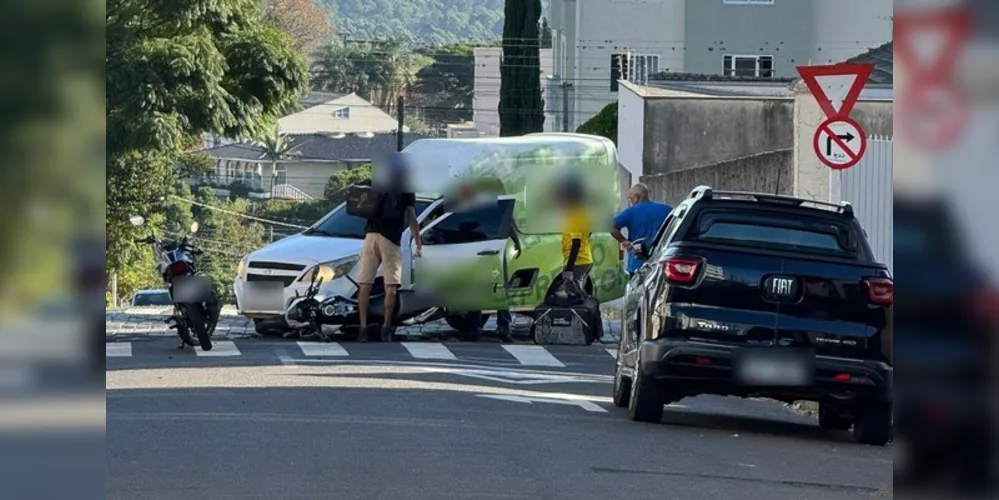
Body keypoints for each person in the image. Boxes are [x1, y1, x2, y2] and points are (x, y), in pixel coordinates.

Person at [357, 154, 422, 342]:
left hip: (370, 236)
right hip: (390, 239)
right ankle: (386, 327)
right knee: (391, 286)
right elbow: (411, 217)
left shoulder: (376, 184)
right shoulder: (406, 189)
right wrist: (417, 239)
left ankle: (363, 328)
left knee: (364, 285)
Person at [611, 183, 672, 276]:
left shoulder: (630, 212)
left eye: (629, 198)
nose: (630, 200)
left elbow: (611, 226)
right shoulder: (667, 209)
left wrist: (624, 241)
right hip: (662, 263)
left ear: (636, 197)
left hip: (638, 264)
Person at [557, 174, 593, 296]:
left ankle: (584, 314)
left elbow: (576, 244)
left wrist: (569, 268)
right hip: (583, 259)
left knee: (575, 294)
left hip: (579, 262)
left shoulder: (575, 216)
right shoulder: (583, 212)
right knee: (575, 292)